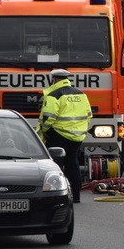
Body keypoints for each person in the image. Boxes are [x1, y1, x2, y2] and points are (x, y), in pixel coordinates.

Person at [38, 68, 93, 203]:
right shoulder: (81, 94)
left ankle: (56, 196)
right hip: (77, 137)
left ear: (54, 79)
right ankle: (77, 196)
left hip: (58, 135)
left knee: (55, 166)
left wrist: (42, 132)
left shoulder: (54, 95)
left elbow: (48, 118)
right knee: (72, 163)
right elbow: (88, 115)